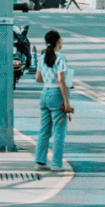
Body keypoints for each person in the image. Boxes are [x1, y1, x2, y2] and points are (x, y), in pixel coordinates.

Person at [35, 29, 73, 171]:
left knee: (44, 130)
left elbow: (38, 78)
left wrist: (49, 80)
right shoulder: (60, 58)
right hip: (57, 95)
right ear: (58, 41)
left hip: (45, 93)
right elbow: (61, 81)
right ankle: (57, 164)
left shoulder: (42, 57)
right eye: (61, 40)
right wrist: (67, 103)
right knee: (59, 131)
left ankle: (39, 161)